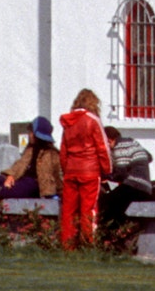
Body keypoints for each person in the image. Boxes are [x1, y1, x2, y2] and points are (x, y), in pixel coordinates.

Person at [57, 89, 111, 248]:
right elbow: (103, 148)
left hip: (71, 171)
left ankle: (68, 246)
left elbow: (63, 151)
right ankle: (88, 245)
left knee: (68, 212)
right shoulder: (93, 120)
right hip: (90, 171)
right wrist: (107, 170)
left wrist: (66, 170)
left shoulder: (67, 122)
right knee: (89, 210)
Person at [98, 125, 152, 226]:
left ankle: (113, 234)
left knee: (107, 203)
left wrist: (106, 177)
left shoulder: (120, 146)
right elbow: (149, 157)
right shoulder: (131, 142)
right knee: (117, 204)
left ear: (109, 140)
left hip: (135, 185)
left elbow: (120, 174)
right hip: (144, 186)